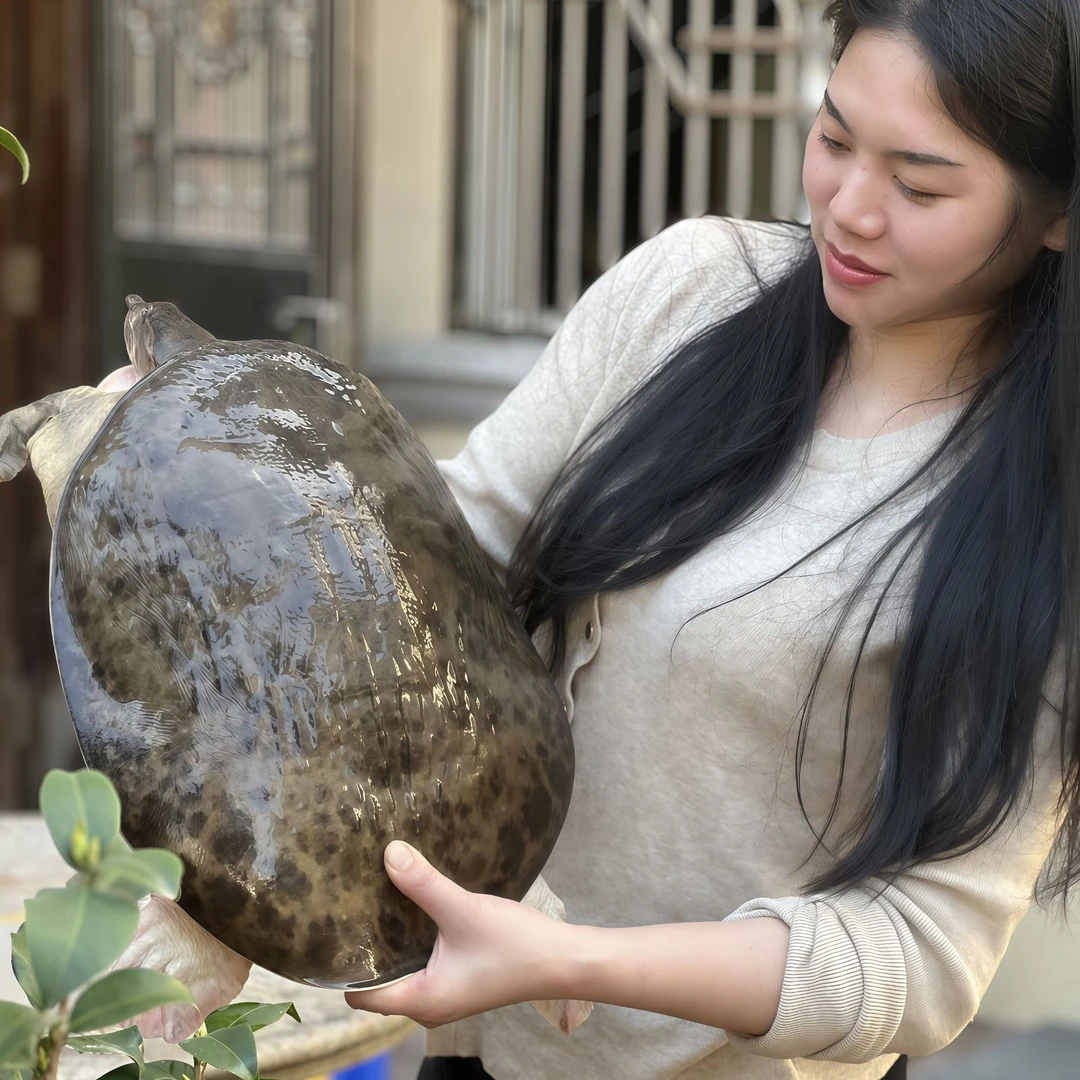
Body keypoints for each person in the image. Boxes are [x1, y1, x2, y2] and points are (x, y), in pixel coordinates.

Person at [89, 1, 1078, 1077]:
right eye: (834, 137)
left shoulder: (1042, 513)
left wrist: (570, 959)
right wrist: (203, 460)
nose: (849, 208)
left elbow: (924, 951)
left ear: (1058, 211)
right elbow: (435, 558)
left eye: (920, 185)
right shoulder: (691, 294)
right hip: (478, 1049)